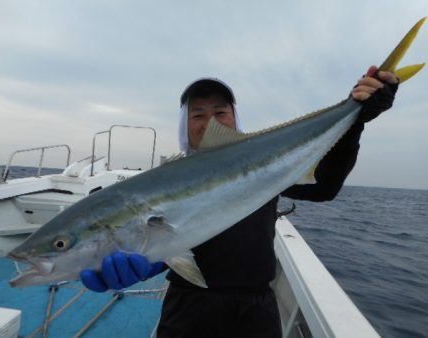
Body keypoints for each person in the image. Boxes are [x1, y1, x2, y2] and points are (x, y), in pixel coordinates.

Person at [81, 66, 399, 337]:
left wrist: (356, 120)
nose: (210, 122)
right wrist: (137, 263)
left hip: (257, 310)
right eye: (198, 114)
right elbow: (159, 244)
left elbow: (323, 187)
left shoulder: (264, 168)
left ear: (235, 118)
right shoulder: (163, 181)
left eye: (220, 112)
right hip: (189, 308)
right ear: (184, 123)